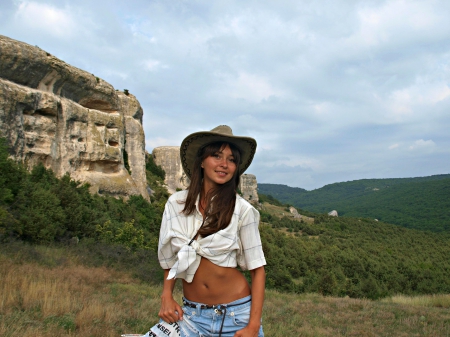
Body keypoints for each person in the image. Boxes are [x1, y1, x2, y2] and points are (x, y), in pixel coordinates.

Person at [157, 125, 266, 337]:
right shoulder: (175, 204)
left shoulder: (243, 210)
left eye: (231, 159)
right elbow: (169, 259)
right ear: (201, 162)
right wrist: (167, 295)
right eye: (216, 156)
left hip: (236, 317)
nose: (224, 164)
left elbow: (258, 270)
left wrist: (253, 325)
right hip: (190, 316)